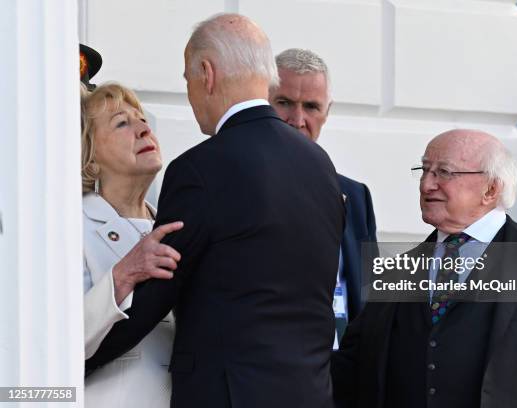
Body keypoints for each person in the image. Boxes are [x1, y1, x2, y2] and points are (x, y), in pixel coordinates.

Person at [86, 13, 344, 408]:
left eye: (187, 79)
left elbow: (154, 299)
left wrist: (56, 364)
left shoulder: (202, 169)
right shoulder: (320, 166)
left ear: (206, 74)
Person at [331, 129, 517, 408]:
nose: (426, 185)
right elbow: (351, 370)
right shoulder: (397, 272)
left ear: (491, 189)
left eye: (444, 172)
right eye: (425, 170)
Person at [81, 82, 183, 407]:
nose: (142, 129)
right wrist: (124, 274)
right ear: (90, 157)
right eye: (122, 123)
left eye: (142, 120)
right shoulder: (69, 228)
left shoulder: (173, 226)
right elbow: (52, 343)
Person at [269, 48, 377, 344]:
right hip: (269, 373)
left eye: (312, 106)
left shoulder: (356, 196)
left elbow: (368, 299)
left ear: (327, 112)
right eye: (284, 103)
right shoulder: (233, 184)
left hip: (342, 375)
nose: (298, 119)